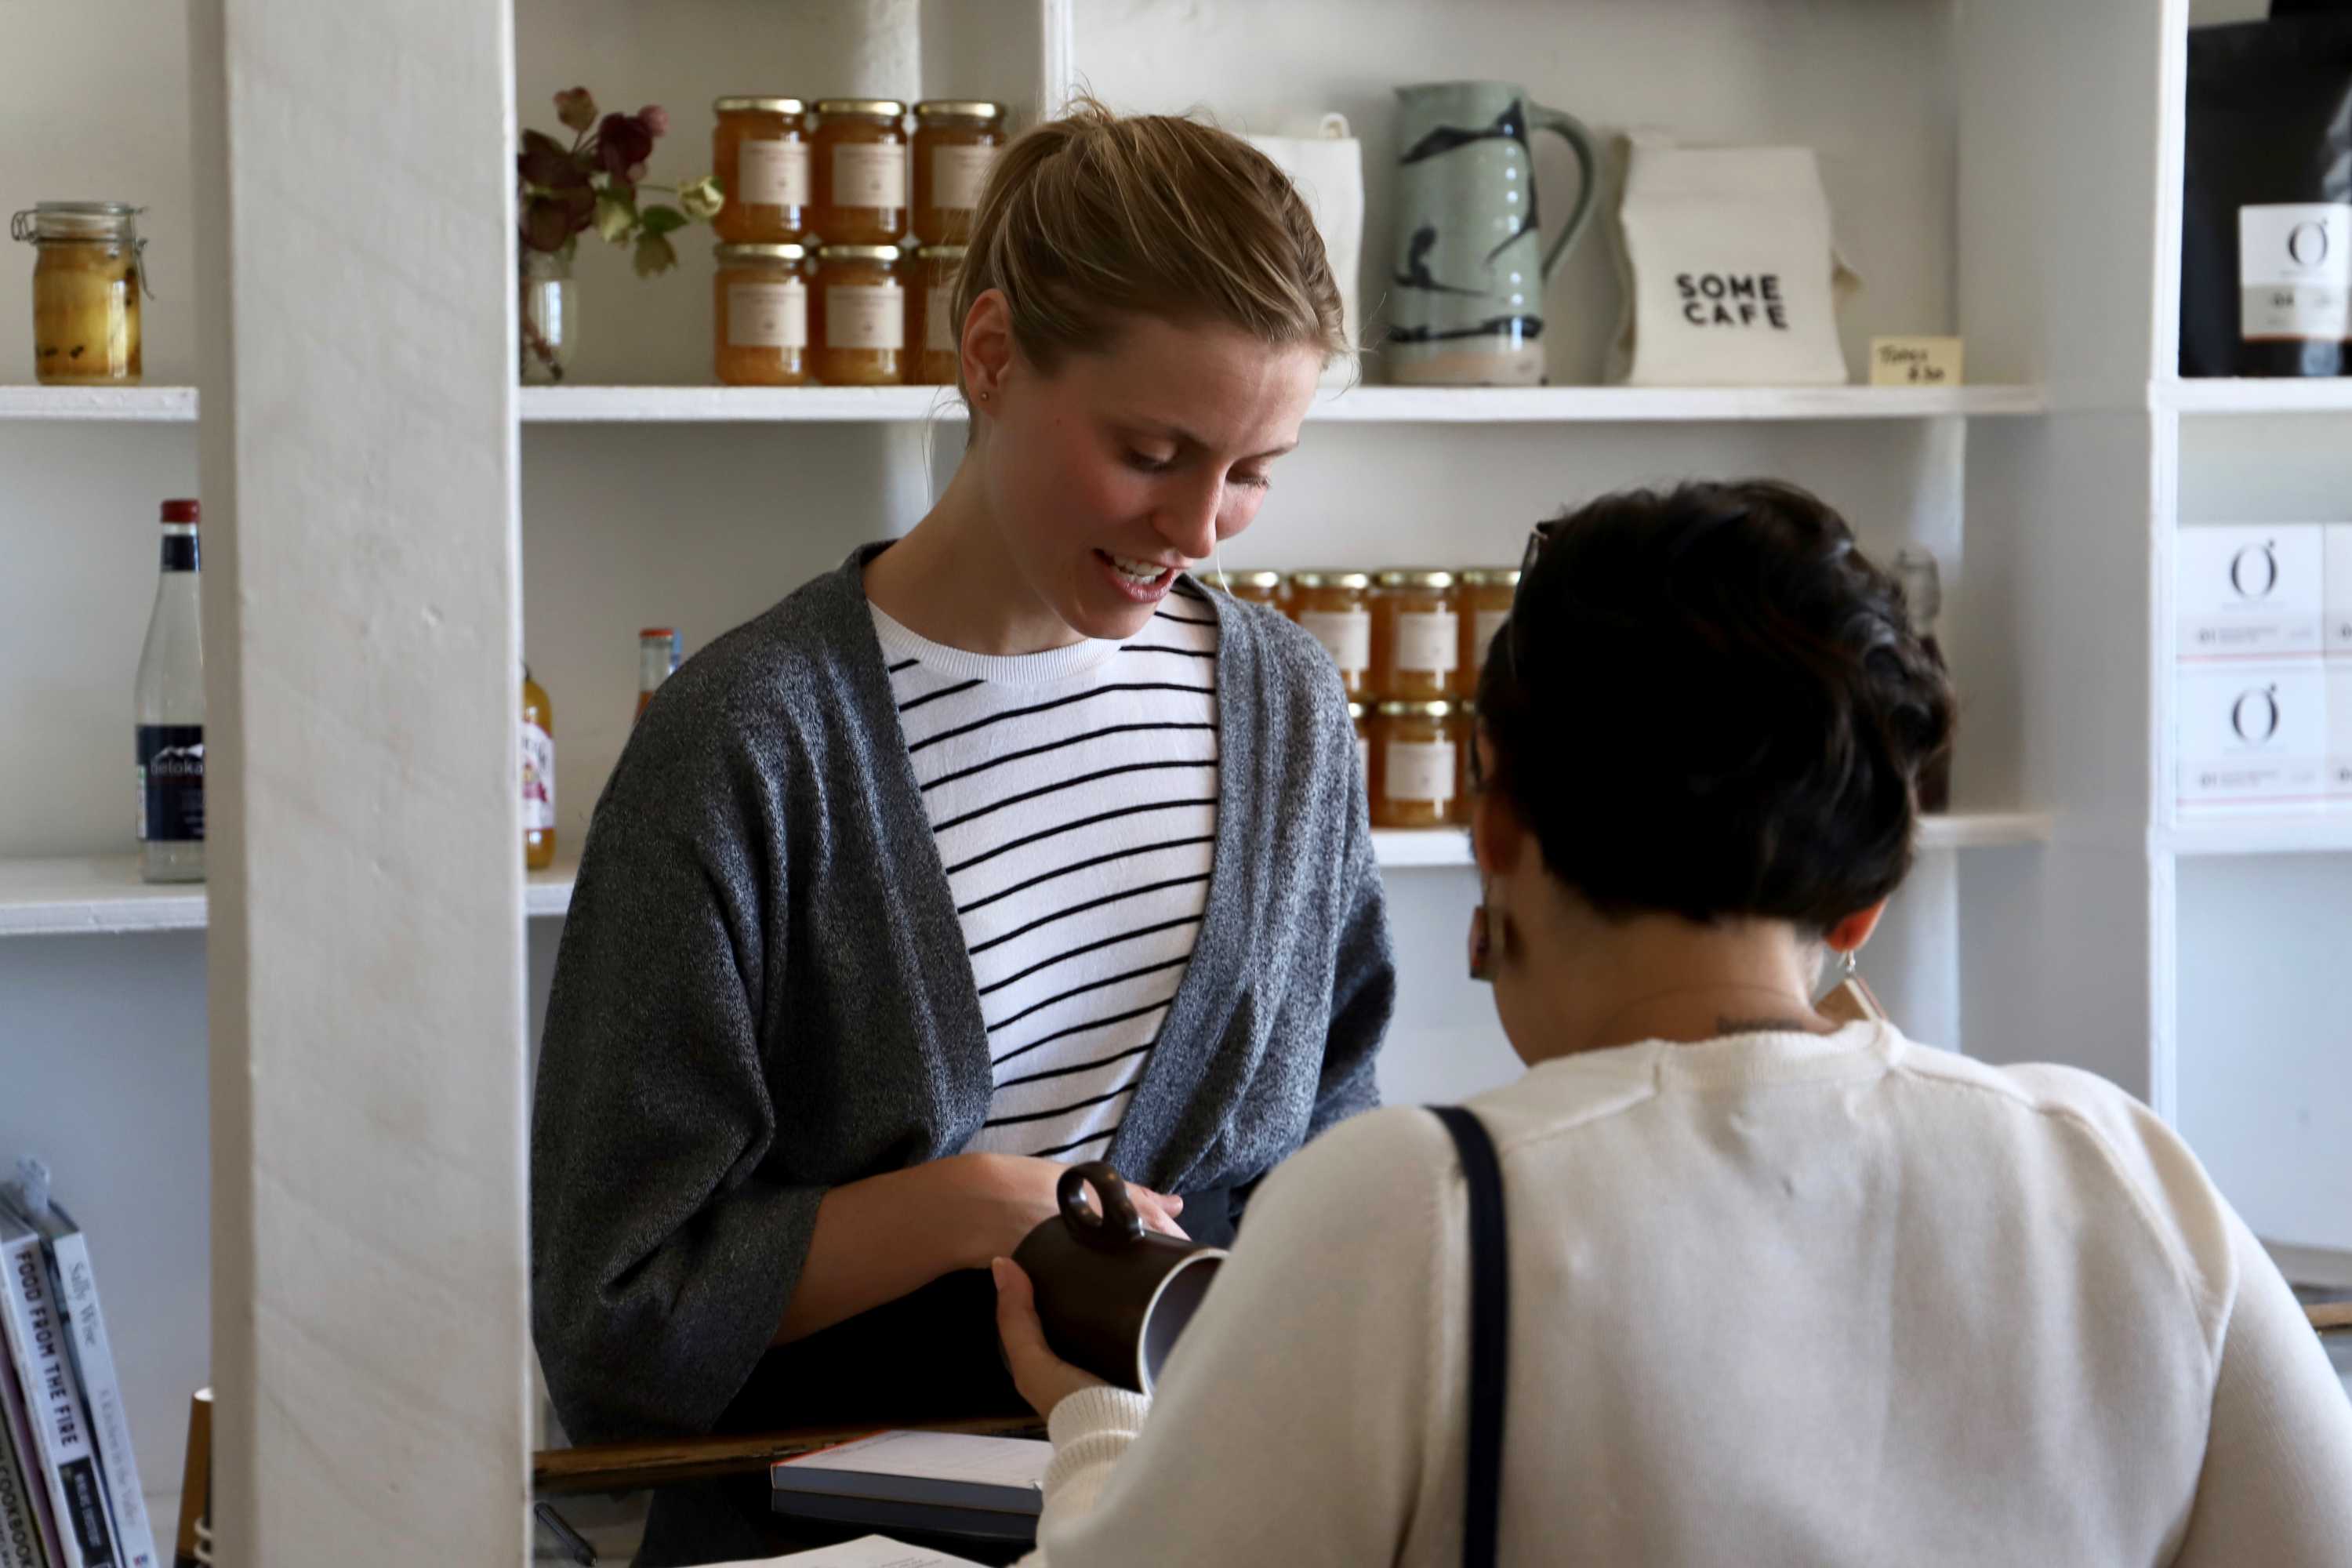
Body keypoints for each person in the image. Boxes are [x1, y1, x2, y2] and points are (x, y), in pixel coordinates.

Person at [993, 481, 2352, 1566]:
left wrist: (1103, 1421)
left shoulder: (1414, 1209)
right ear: (1863, 907)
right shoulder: (2126, 1176)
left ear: (1498, 822)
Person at [530, 103, 1394, 1566]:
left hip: (1186, 1516)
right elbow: (616, 1321)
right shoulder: (748, 741)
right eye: (1152, 450)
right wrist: (961, 1211)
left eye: (1253, 470)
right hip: (809, 1537)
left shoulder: (1289, 709)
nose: (1198, 524)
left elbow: (1325, 1162)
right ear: (991, 356)